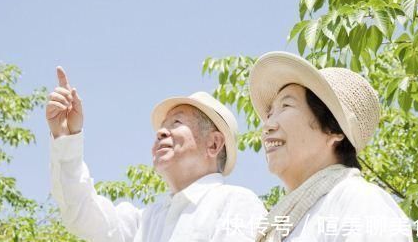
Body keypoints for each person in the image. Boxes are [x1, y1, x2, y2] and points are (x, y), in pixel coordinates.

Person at [46, 67, 266, 242]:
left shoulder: (235, 203)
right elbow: (81, 211)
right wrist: (67, 136)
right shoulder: (147, 220)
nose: (161, 132)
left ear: (214, 143)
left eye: (177, 122)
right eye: (162, 126)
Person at [248, 52, 413, 241]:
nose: (267, 125)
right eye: (269, 113)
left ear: (332, 130)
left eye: (286, 105)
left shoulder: (359, 202)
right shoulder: (284, 221)